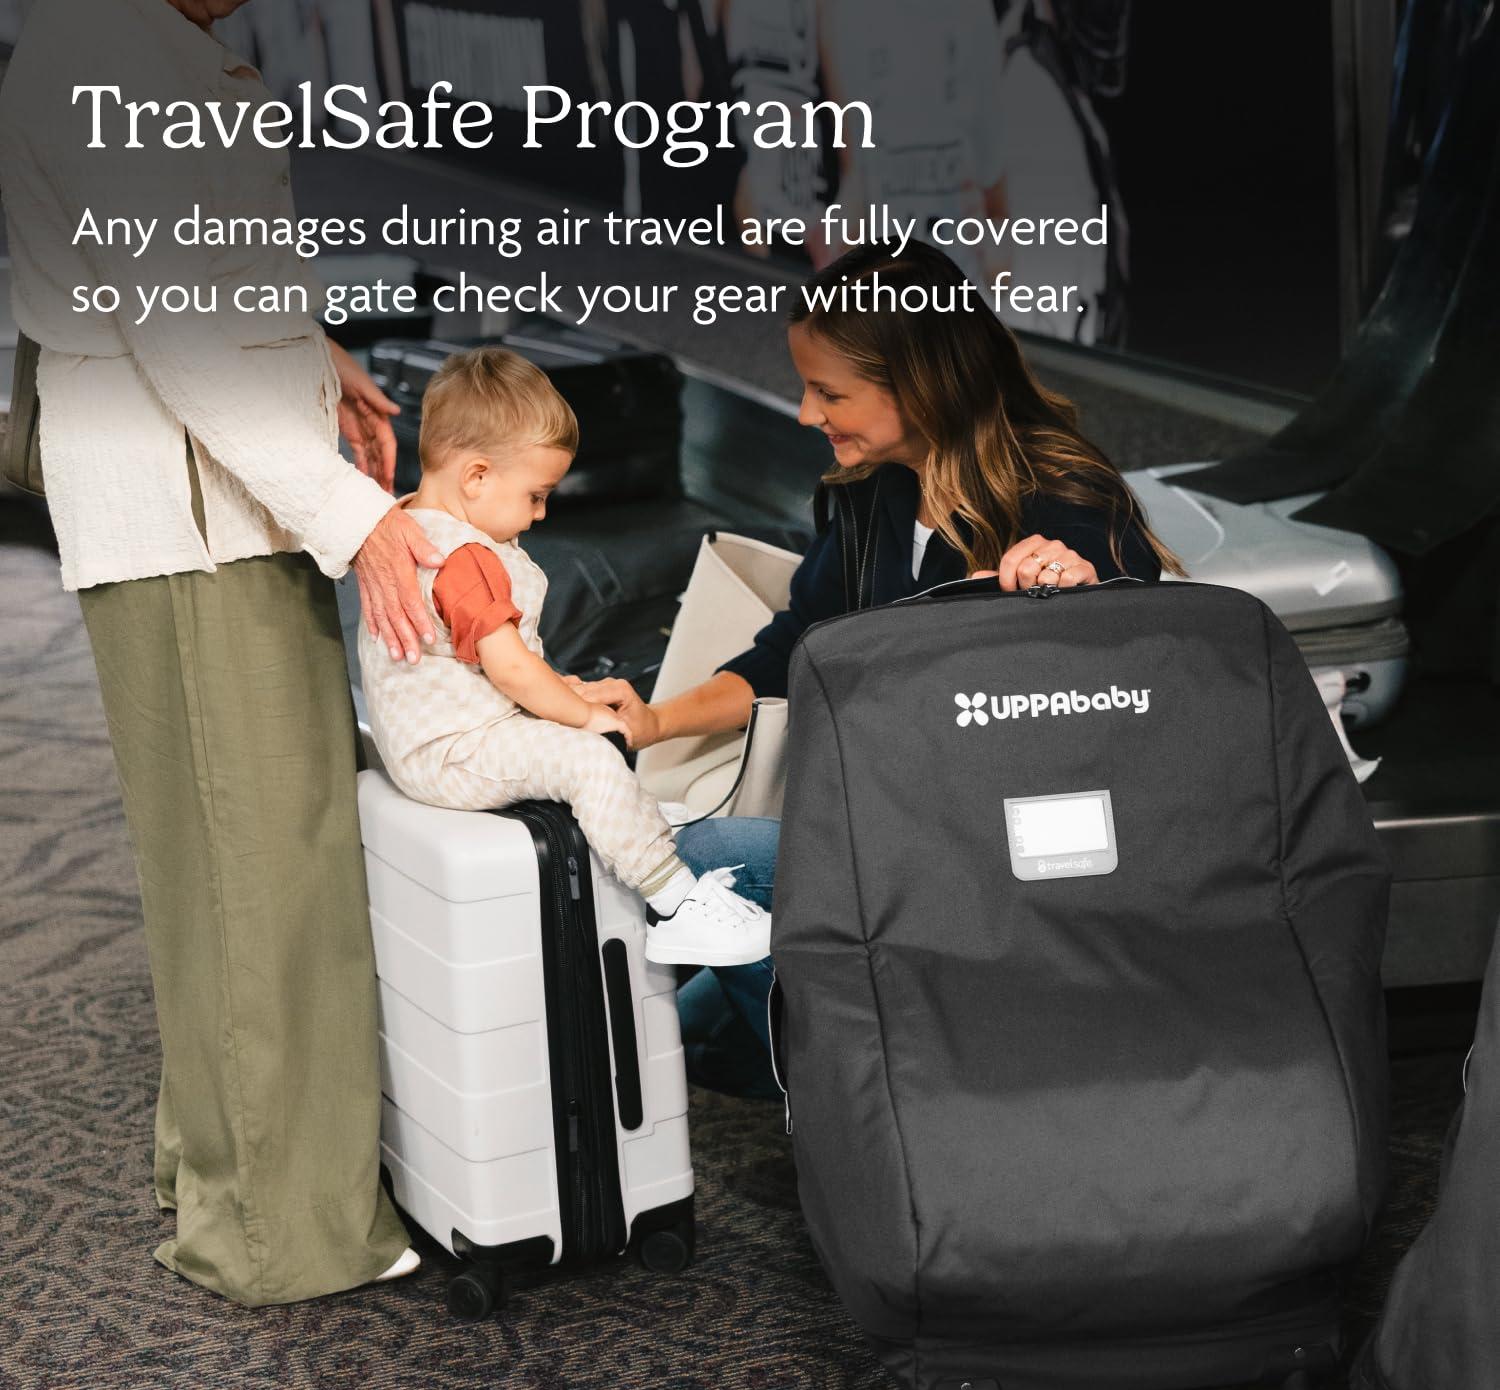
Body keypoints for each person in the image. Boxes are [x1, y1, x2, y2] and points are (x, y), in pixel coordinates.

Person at [0, 0, 446, 1302]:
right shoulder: (110, 52)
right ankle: (277, 1230)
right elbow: (177, 322)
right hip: (198, 519)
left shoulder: (114, 37)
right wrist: (356, 519)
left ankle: (222, 1172)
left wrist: (315, 355)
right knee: (267, 874)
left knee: (219, 870)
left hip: (192, 505)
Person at [576, 241, 1182, 1096]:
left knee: (707, 861)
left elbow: (1125, 692)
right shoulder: (870, 491)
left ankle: (907, 1098)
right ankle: (891, 1069)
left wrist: (1081, 597)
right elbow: (795, 647)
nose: (805, 414)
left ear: (922, 384)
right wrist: (651, 721)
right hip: (893, 830)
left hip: (998, 863)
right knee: (695, 1034)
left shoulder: (1067, 501)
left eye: (829, 393)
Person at [360, 348, 773, 967]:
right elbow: (510, 669)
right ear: (476, 477)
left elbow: (484, 667)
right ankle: (676, 903)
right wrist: (583, 719)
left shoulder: (411, 527)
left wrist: (566, 693)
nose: (542, 512)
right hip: (450, 754)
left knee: (573, 705)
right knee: (588, 756)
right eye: (536, 495)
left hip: (437, 737)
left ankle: (628, 819)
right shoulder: (466, 559)